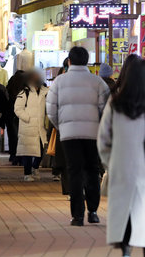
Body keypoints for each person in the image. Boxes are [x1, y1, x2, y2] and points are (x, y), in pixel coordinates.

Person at [97, 55, 145, 257]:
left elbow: (103, 138)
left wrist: (109, 163)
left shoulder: (115, 103)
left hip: (121, 167)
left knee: (125, 216)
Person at [46, 46, 110, 226]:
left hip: (69, 135)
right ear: (87, 61)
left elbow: (50, 109)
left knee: (74, 172)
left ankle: (77, 216)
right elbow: (106, 108)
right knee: (92, 170)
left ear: (69, 61)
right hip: (93, 135)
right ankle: (94, 211)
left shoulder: (59, 82)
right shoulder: (98, 82)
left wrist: (61, 126)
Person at [15, 71, 49, 182]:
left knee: (41, 149)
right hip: (28, 126)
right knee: (27, 151)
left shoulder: (45, 91)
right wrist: (28, 118)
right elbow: (18, 109)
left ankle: (35, 167)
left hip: (41, 126)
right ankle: (27, 173)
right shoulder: (24, 92)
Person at [6, 70, 26, 165]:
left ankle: (13, 156)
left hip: (11, 113)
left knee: (12, 135)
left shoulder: (11, 81)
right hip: (23, 112)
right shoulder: (25, 83)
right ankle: (22, 157)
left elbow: (7, 95)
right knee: (22, 135)